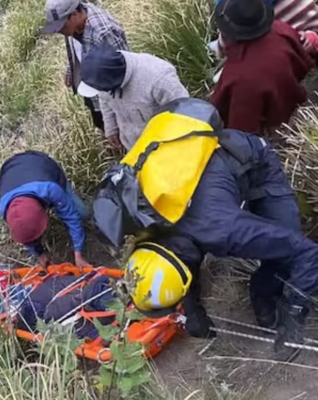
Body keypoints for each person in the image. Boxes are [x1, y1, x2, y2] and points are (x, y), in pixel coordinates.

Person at [124, 127, 318, 352]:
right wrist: (193, 311)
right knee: (191, 244)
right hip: (204, 171)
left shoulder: (226, 233)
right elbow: (180, 266)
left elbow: (307, 253)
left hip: (253, 163)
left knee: (285, 251)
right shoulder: (149, 227)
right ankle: (264, 300)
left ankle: (263, 293)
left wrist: (294, 317)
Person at [211, 0, 312, 135]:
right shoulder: (280, 29)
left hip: (274, 124)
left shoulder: (241, 77)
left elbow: (242, 132)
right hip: (293, 97)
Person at [40, 0, 129, 131]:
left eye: (61, 26)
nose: (58, 31)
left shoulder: (104, 33)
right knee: (100, 122)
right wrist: (72, 69)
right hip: (91, 90)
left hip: (111, 97)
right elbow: (76, 46)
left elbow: (123, 73)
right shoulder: (73, 25)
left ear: (74, 14)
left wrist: (115, 123)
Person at [76, 45, 189, 151]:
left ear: (112, 82)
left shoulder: (159, 78)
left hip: (168, 148)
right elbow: (104, 99)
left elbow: (185, 113)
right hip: (134, 149)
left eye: (100, 88)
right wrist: (111, 129)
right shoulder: (102, 80)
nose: (100, 90)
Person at [0, 151, 91, 269]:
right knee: (27, 228)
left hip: (40, 163)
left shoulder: (50, 189)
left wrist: (78, 253)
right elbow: (23, 232)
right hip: (10, 169)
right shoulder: (4, 209)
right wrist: (39, 254)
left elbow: (71, 217)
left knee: (82, 213)